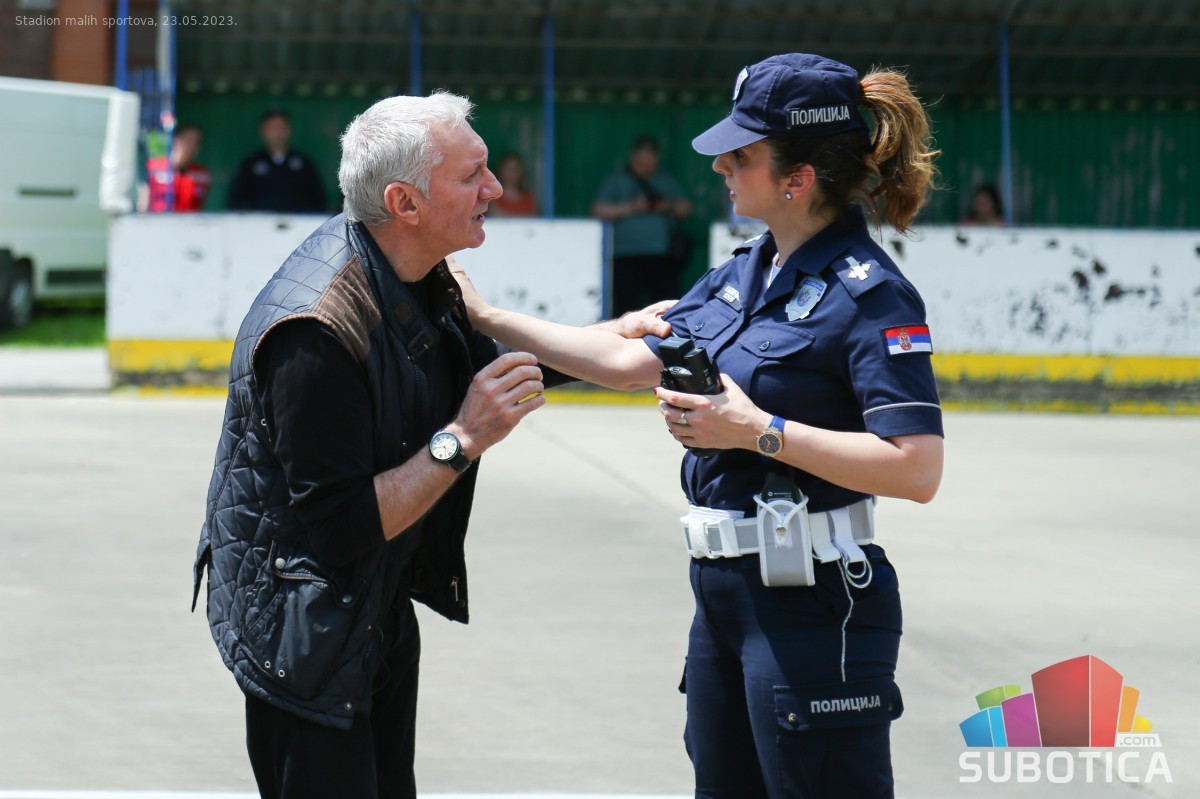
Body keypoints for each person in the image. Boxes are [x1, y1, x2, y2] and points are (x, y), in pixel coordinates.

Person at [451, 53, 944, 798]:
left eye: (740, 156)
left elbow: (917, 468)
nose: (720, 168)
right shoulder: (742, 273)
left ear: (798, 177)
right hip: (724, 596)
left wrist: (757, 430)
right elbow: (626, 362)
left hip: (813, 599)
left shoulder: (872, 295)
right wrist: (486, 316)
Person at [191, 92, 669, 799]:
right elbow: (344, 525)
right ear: (404, 202)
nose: (495, 188)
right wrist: (463, 439)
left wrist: (613, 334)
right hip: (304, 635)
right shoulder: (315, 335)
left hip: (369, 608)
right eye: (472, 174)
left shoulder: (410, 271)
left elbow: (485, 364)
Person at [592, 135, 693, 316]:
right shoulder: (616, 180)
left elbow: (685, 208)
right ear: (633, 157)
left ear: (656, 159)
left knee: (667, 307)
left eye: (649, 159)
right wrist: (632, 208)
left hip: (661, 256)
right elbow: (598, 210)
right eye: (640, 159)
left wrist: (666, 205)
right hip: (625, 256)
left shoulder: (665, 180)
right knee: (626, 308)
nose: (644, 164)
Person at [227, 108, 328, 212]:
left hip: (297, 220)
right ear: (263, 131)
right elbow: (235, 200)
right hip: (260, 220)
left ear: (289, 130)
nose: (277, 133)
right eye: (273, 128)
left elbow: (319, 200)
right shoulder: (251, 163)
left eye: (281, 127)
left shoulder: (303, 163)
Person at [142, 123, 211, 212]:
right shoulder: (153, 167)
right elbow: (143, 203)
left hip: (189, 220)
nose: (191, 146)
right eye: (188, 140)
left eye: (196, 143)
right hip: (157, 219)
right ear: (176, 140)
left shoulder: (201, 174)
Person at [488, 151, 538, 216]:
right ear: (501, 170)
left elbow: (534, 218)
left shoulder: (528, 198)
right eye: (508, 168)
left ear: (521, 171)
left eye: (515, 168)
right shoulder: (492, 197)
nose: (512, 172)